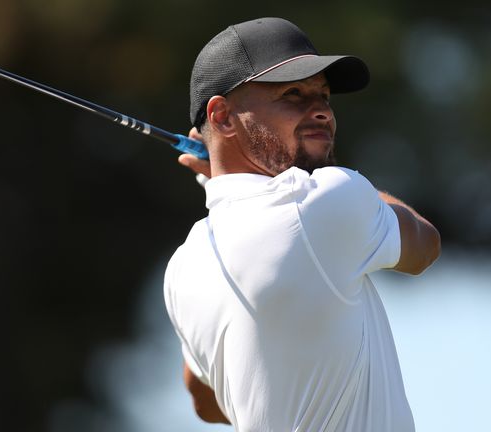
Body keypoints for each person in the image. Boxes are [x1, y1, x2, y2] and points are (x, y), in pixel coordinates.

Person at [163, 17, 440, 432]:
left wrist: (219, 177)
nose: (322, 111)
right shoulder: (325, 201)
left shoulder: (185, 268)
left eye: (324, 95)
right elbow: (424, 245)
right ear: (221, 118)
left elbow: (207, 402)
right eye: (293, 93)